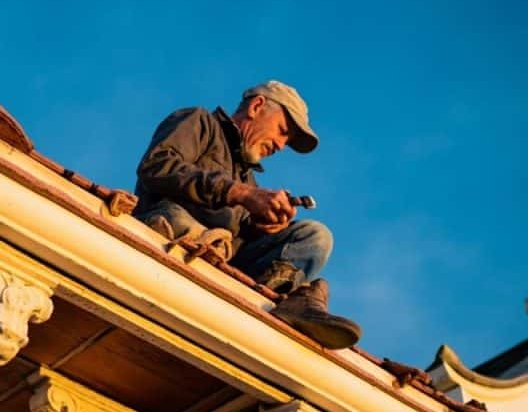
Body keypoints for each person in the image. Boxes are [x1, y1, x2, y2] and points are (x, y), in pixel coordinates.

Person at [133, 80, 361, 349]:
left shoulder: (249, 179)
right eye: (282, 131)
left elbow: (243, 237)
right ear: (256, 106)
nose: (280, 145)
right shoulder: (200, 121)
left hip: (228, 262)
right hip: (168, 230)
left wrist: (262, 227)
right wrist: (239, 194)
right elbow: (156, 166)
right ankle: (208, 247)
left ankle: (272, 298)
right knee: (174, 218)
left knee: (315, 235)